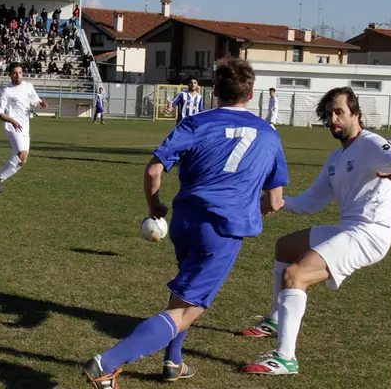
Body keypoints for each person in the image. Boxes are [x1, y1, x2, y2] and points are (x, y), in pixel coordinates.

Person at [83, 58, 289, 387]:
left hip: (185, 222)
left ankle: (173, 361)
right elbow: (275, 200)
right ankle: (106, 364)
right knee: (187, 310)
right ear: (250, 94)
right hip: (222, 232)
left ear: (214, 90)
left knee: (185, 291)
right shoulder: (269, 135)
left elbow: (153, 170)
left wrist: (155, 207)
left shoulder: (196, 122)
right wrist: (259, 206)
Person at [239, 86, 391, 376]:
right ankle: (275, 320)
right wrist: (275, 202)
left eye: (339, 112)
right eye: (329, 114)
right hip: (348, 228)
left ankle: (285, 358)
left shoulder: (371, 143)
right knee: (285, 246)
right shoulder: (335, 159)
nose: (333, 119)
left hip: (370, 234)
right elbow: (310, 202)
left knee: (295, 275)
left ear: (355, 114)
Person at [0, 62, 48, 194]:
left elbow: (35, 100)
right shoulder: (7, 91)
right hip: (12, 127)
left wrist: (41, 104)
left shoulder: (28, 86)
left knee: (22, 160)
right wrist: (11, 120)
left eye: (20, 73)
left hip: (25, 126)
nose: (18, 75)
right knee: (21, 154)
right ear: (10, 75)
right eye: (15, 73)